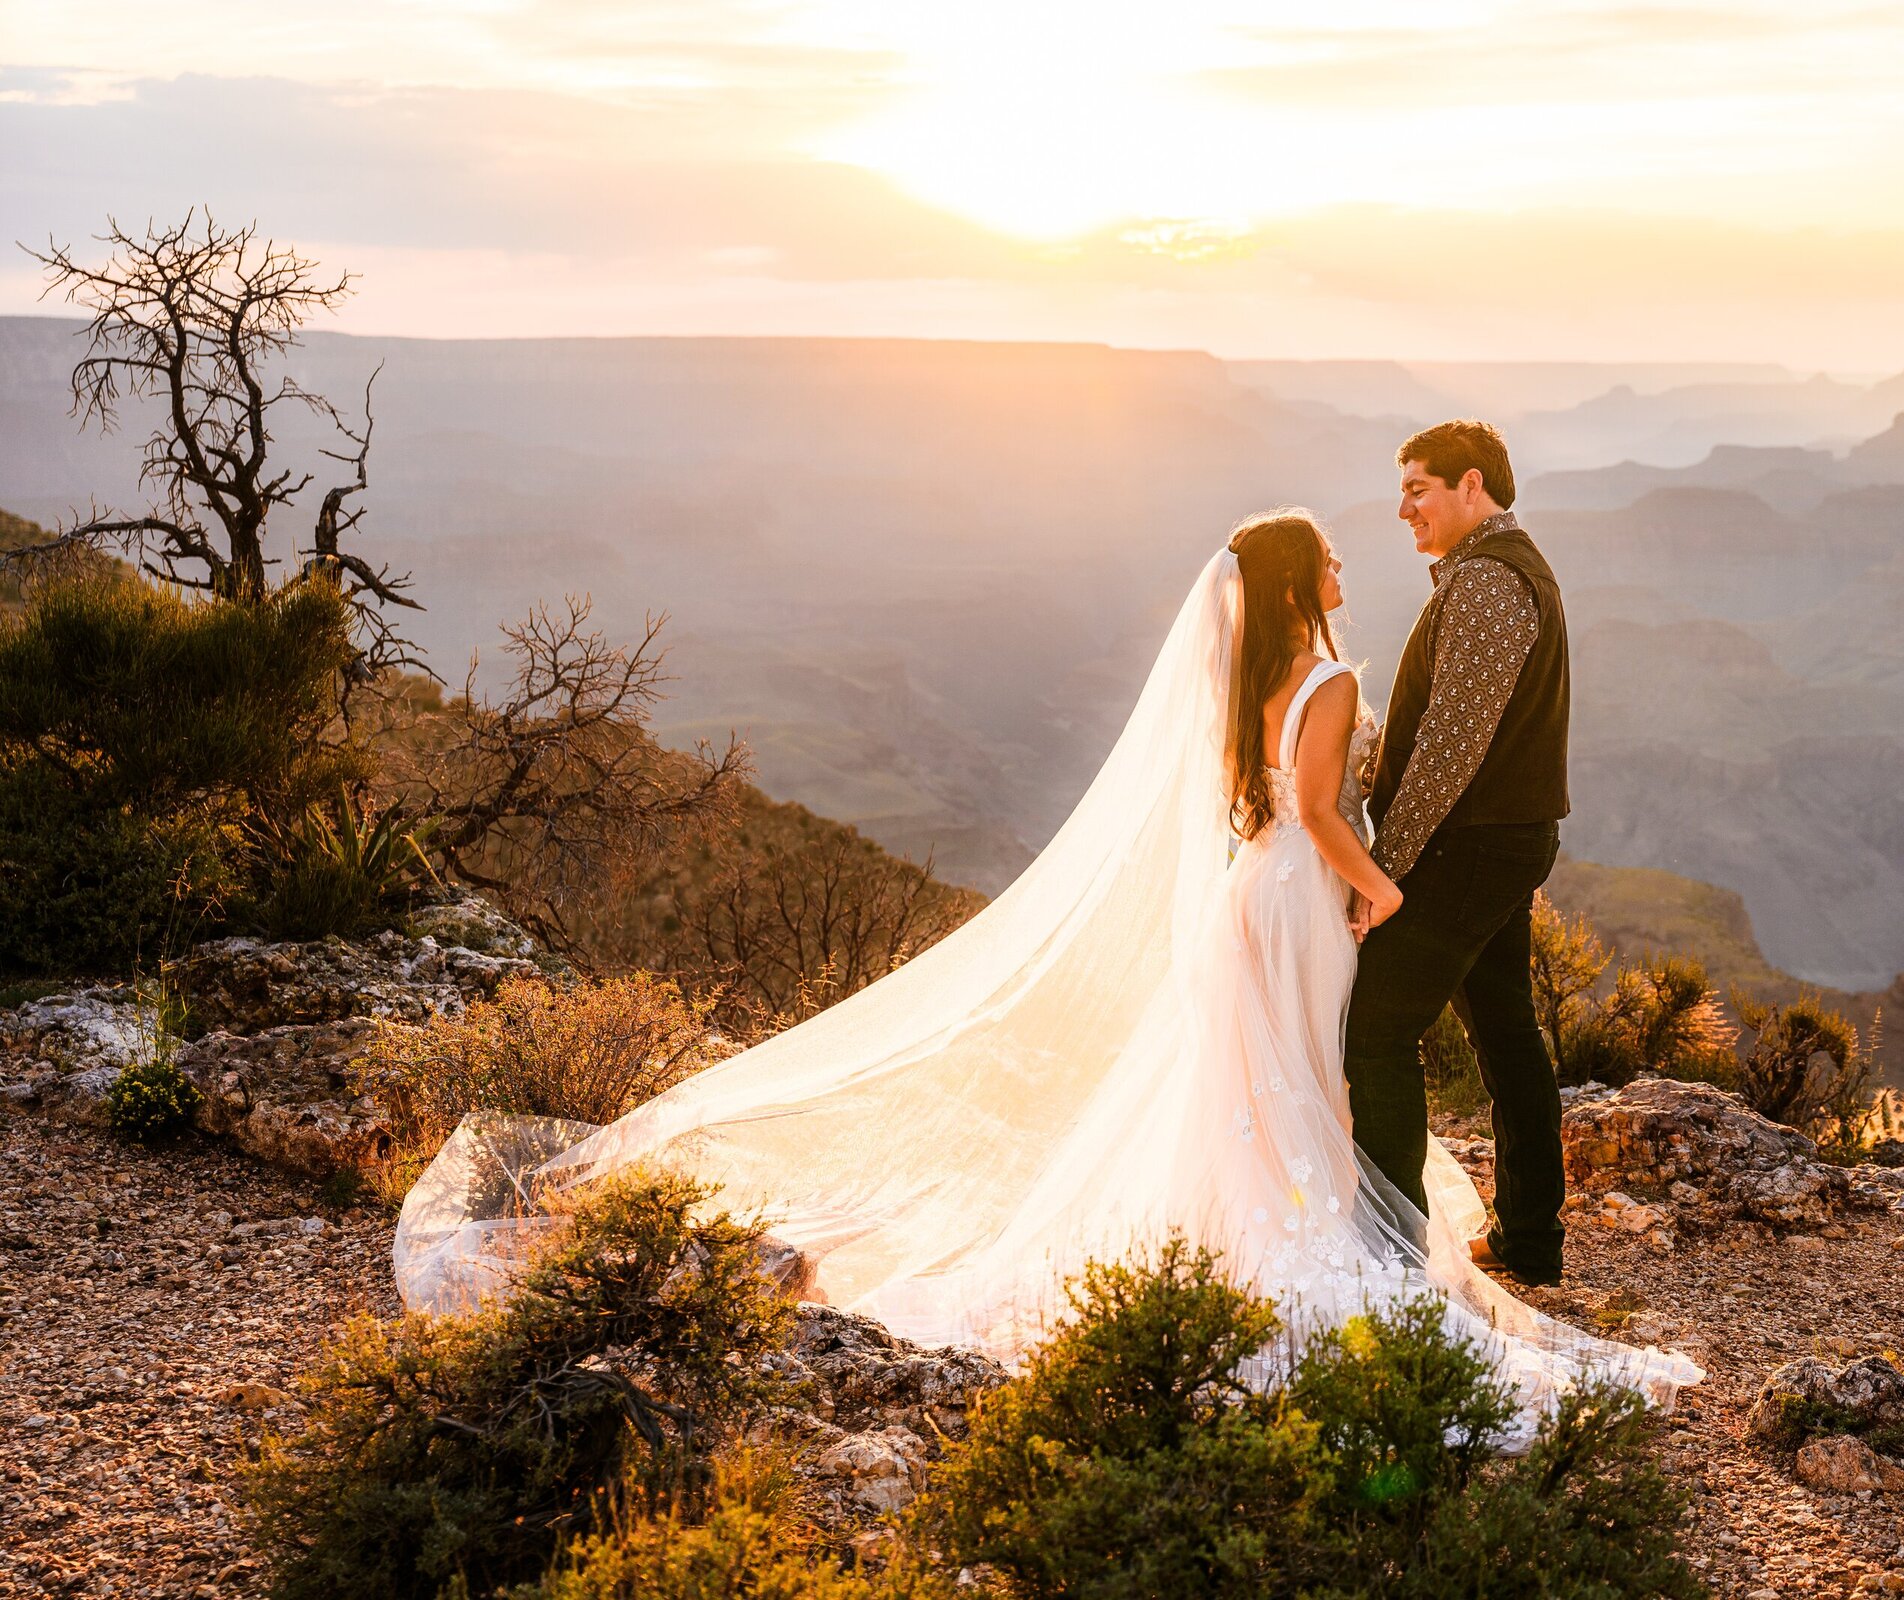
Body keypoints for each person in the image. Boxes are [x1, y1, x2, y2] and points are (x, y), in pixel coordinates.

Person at [394, 505, 1696, 1415]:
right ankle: (1323, 1247)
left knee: (1260, 1085)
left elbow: (1260, 807)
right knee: (1309, 1076)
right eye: (1335, 552)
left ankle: (1269, 1235)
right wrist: (1384, 888)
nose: (1353, 559)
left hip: (1249, 898)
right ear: (1304, 578)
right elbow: (1311, 817)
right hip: (1302, 892)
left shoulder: (1249, 677)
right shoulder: (1332, 675)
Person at [1346, 420, 1575, 1287]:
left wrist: (1385, 871)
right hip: (1501, 840)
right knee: (1506, 1030)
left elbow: (1451, 747)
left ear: (1470, 486)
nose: (1403, 508)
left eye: (1418, 488)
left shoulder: (1485, 584)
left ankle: (1390, 1251)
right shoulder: (1507, 570)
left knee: (1374, 1030)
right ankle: (1529, 1238)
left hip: (1467, 847)